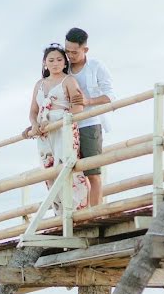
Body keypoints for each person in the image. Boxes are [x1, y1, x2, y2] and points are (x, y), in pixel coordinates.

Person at [23, 43, 90, 213]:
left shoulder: (69, 80)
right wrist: (34, 124)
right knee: (49, 171)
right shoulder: (39, 84)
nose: (55, 63)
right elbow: (33, 111)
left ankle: (78, 211)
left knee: (68, 168)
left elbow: (78, 107)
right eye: (51, 60)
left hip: (63, 129)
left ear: (65, 62)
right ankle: (61, 214)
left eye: (59, 59)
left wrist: (58, 120)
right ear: (45, 62)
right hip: (45, 134)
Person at [64, 27, 114, 207]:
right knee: (71, 175)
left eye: (74, 52)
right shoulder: (64, 68)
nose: (70, 55)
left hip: (90, 124)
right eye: (67, 51)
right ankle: (77, 215)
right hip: (68, 127)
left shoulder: (96, 66)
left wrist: (88, 100)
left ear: (85, 49)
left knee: (93, 174)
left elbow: (110, 96)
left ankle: (95, 213)